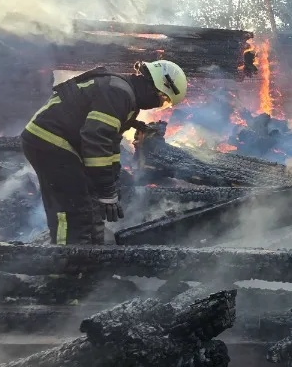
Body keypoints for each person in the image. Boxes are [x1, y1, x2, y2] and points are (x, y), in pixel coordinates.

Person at [22, 60, 187, 245]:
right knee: (73, 209)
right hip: (50, 142)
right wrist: (107, 190)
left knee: (87, 201)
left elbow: (110, 143)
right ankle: (67, 263)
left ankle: (91, 250)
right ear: (156, 86)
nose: (159, 105)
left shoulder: (127, 97)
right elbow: (96, 140)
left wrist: (114, 178)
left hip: (60, 143)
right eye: (164, 99)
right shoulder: (118, 93)